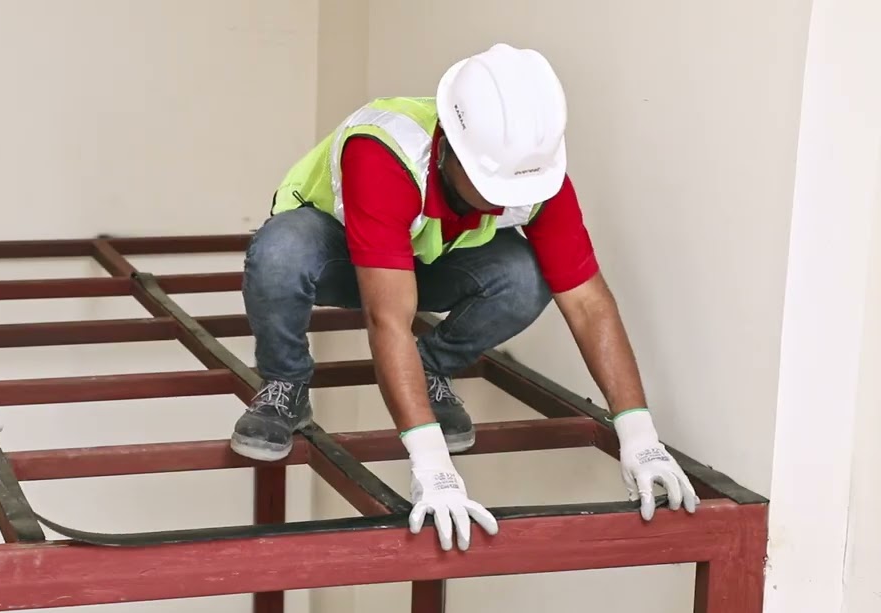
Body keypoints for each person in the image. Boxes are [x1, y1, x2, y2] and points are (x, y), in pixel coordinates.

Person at [231, 43, 700, 552]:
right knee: (279, 253)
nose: (508, 202)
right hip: (335, 254)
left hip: (426, 257)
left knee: (527, 275)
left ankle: (432, 368)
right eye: (490, 186)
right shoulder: (385, 152)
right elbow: (388, 317)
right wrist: (432, 465)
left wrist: (639, 435)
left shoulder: (532, 174)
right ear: (449, 149)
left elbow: (587, 301)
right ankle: (285, 386)